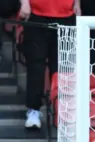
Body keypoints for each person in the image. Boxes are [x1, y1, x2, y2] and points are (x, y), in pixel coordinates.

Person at [19, 0, 79, 129]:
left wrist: (77, 4)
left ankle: (63, 112)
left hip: (66, 15)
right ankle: (33, 110)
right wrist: (24, 3)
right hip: (36, 14)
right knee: (36, 65)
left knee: (63, 66)